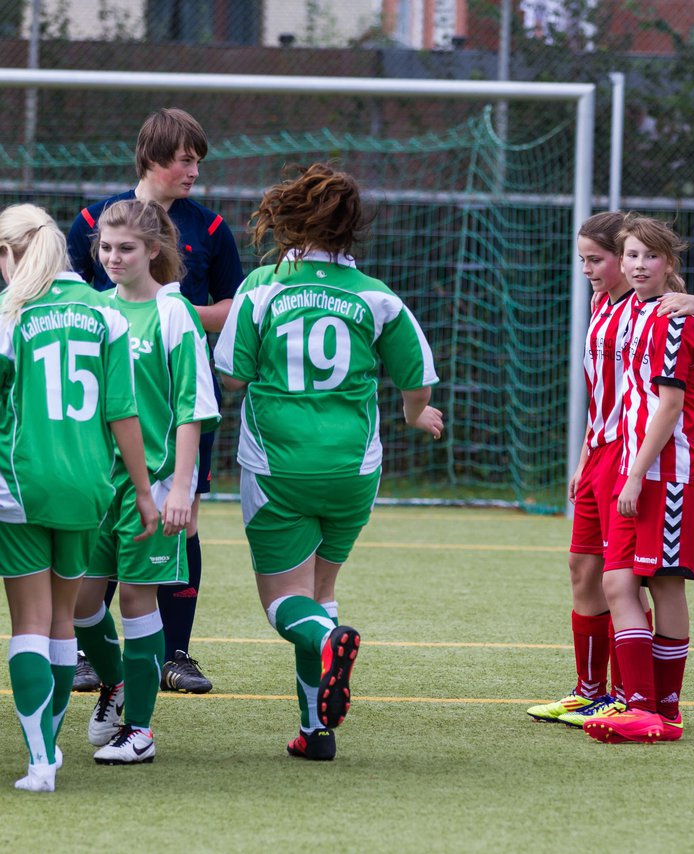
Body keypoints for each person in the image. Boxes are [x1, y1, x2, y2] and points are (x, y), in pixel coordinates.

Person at [213, 163, 443, 761]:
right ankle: (315, 732)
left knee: (284, 604)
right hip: (353, 469)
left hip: (278, 466)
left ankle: (328, 642)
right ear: (351, 230)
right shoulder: (377, 296)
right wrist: (416, 414)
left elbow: (232, 377)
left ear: (289, 220)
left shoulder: (264, 286)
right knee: (320, 590)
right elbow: (417, 376)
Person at [67, 107, 243, 695]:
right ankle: (93, 653)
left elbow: (232, 310)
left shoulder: (210, 229)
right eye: (184, 158)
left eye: (198, 159)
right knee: (102, 521)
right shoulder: (95, 218)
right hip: (103, 412)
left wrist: (173, 318)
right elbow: (64, 300)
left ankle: (176, 653)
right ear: (152, 157)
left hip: (175, 408)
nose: (193, 169)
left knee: (180, 521)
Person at [527, 212, 694, 729]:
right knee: (603, 575)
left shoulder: (666, 312)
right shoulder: (618, 308)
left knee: (647, 581)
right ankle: (610, 697)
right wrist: (588, 454)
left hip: (658, 461)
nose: (590, 268)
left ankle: (650, 707)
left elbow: (675, 388)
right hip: (615, 449)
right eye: (630, 255)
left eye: (596, 258)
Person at [0, 203, 158, 790]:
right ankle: (51, 752)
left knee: (30, 624)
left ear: (8, 254)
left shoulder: (10, 312)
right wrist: (143, 492)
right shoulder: (106, 314)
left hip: (22, 486)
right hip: (91, 487)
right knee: (62, 623)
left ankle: (41, 761)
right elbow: (123, 411)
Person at [73, 199, 219, 765]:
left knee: (135, 599)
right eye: (105, 248)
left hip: (154, 485)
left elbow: (191, 408)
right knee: (83, 605)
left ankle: (140, 729)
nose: (113, 257)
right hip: (98, 486)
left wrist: (182, 487)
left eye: (125, 247)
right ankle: (116, 684)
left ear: (152, 250)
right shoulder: (98, 310)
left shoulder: (173, 312)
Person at [583, 216, 694, 744]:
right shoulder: (630, 311)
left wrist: (635, 473)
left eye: (649, 257)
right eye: (631, 255)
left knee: (662, 581)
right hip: (636, 463)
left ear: (668, 263)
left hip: (669, 466)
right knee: (618, 581)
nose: (638, 265)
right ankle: (644, 708)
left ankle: (662, 711)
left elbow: (671, 403)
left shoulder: (672, 318)